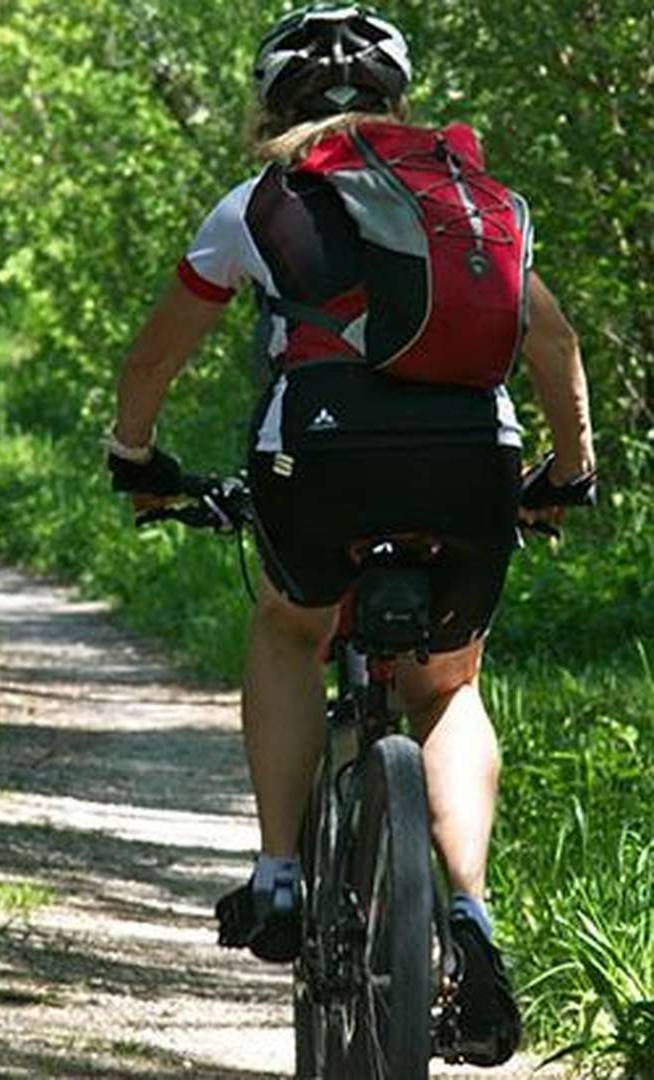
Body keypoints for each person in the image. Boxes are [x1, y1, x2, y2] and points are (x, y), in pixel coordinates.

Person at [107, 4, 595, 1068]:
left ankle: (281, 874)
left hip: (318, 463)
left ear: (270, 105)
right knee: (448, 687)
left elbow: (153, 362)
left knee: (290, 627)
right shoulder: (470, 199)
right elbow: (549, 337)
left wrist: (135, 460)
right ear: (397, 100)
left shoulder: (258, 204)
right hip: (473, 458)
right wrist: (569, 474)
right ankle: (469, 913)